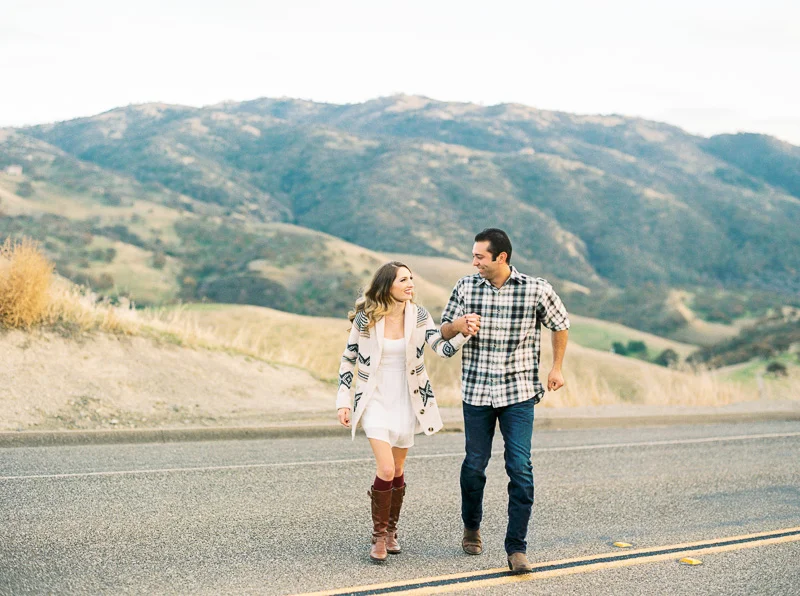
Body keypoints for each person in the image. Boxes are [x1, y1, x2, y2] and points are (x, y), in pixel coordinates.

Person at [439, 228, 570, 574]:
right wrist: (460, 324)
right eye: (474, 256)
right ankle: (471, 525)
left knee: (520, 469)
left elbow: (561, 324)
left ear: (501, 257)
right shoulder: (466, 287)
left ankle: (516, 548)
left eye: (480, 256)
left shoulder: (536, 289)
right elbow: (442, 332)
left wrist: (556, 367)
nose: (474, 262)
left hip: (519, 393)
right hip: (477, 392)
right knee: (474, 468)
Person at [336, 261, 477, 563]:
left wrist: (464, 333)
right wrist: (343, 401)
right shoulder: (366, 320)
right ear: (388, 286)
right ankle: (377, 536)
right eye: (403, 280)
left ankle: (391, 531)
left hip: (408, 399)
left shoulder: (420, 316)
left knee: (398, 472)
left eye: (411, 279)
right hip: (373, 399)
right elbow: (348, 360)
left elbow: (442, 349)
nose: (410, 284)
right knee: (385, 469)